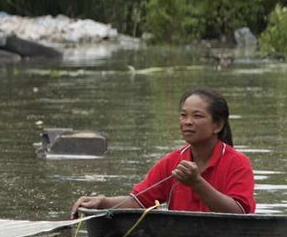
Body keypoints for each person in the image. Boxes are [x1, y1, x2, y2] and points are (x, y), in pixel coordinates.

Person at [71, 88, 255, 218]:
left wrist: (197, 183)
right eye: (183, 115)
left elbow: (240, 214)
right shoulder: (172, 161)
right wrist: (102, 202)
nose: (187, 122)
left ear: (218, 125)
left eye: (197, 116)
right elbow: (139, 202)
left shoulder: (238, 162)